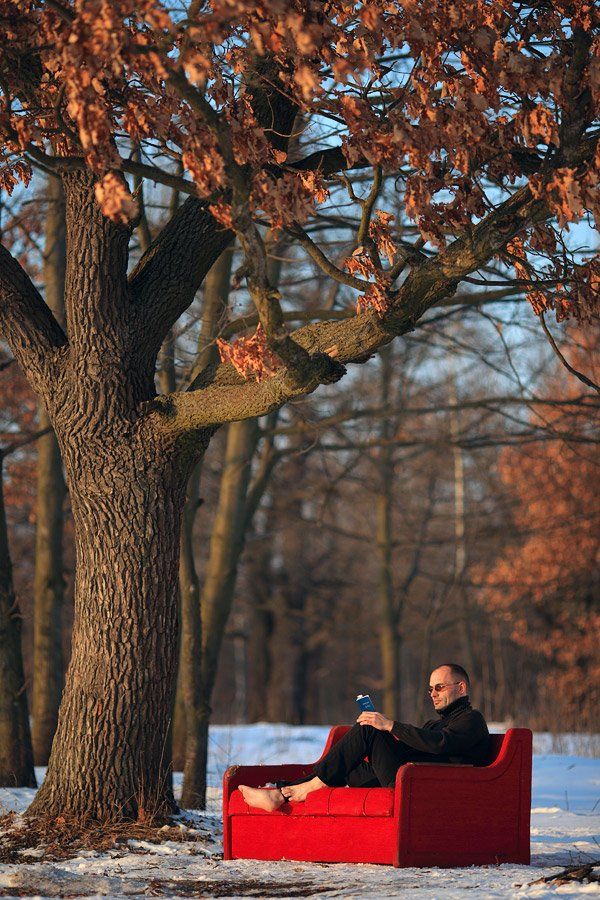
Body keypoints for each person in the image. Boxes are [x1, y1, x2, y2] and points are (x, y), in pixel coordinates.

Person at [238, 663, 490, 812]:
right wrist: (386, 738)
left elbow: (439, 744)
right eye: (430, 689)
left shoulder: (472, 720)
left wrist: (389, 726)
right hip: (410, 776)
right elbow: (416, 747)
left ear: (461, 688)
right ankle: (284, 791)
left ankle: (285, 792)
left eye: (439, 687)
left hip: (424, 787)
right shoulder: (434, 723)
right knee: (348, 767)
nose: (433, 693)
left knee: (368, 728)